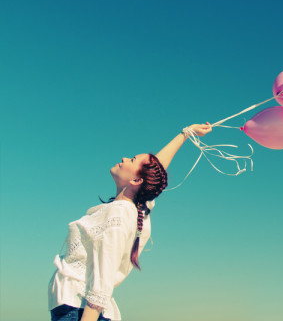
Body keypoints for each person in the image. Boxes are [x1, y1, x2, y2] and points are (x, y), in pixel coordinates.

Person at [48, 123, 213, 321]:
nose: (124, 158)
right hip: (77, 308)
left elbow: (102, 279)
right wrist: (186, 133)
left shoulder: (118, 214)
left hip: (80, 310)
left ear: (136, 181)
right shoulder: (136, 210)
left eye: (132, 160)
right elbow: (153, 170)